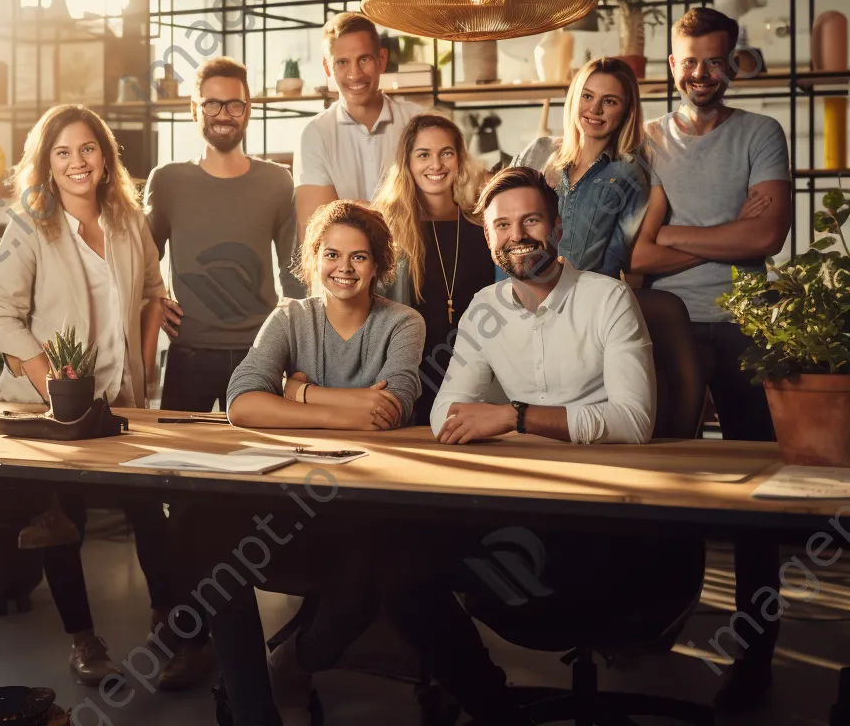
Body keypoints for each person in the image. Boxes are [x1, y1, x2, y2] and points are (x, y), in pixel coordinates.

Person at [382, 166, 669, 726]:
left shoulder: (606, 298)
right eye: (503, 225)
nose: (518, 235)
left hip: (607, 519)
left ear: (557, 228)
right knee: (398, 568)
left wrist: (511, 416)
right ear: (488, 238)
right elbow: (447, 416)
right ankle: (495, 708)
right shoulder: (485, 308)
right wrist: (500, 420)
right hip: (520, 508)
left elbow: (633, 421)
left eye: (531, 220)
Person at [203, 201, 425, 726]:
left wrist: (298, 392)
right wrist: (339, 404)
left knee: (367, 577)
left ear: (379, 266)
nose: (343, 268)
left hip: (369, 501)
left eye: (359, 257)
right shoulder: (290, 317)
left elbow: (390, 413)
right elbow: (241, 404)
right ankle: (254, 709)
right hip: (287, 496)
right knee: (205, 540)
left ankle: (296, 663)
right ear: (312, 259)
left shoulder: (403, 323)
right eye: (331, 254)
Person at [630, 6, 792, 713]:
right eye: (688, 60)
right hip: (665, 325)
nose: (701, 73)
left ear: (734, 62)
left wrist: (682, 238)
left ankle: (755, 655)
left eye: (714, 60)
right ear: (672, 63)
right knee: (664, 484)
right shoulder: (649, 140)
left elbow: (768, 236)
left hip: (746, 325)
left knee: (757, 490)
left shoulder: (761, 133)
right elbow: (638, 252)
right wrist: (730, 233)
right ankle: (655, 617)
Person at [0, 104, 176, 687]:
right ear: (46, 162)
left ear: (104, 155)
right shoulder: (29, 224)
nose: (76, 162)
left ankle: (170, 625)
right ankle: (83, 640)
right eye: (62, 152)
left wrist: (144, 373)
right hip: (55, 408)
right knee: (63, 520)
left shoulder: (126, 217)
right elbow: (2, 318)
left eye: (87, 149)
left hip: (121, 401)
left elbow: (151, 292)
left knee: (151, 511)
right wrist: (56, 393)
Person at [144, 57, 304, 413]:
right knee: (179, 461)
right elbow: (141, 263)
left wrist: (294, 350)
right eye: (211, 104)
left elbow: (293, 271)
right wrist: (154, 301)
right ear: (194, 109)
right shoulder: (167, 181)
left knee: (264, 456)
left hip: (260, 352)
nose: (222, 115)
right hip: (188, 351)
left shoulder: (278, 180)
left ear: (247, 110)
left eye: (234, 105)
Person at [374, 112, 494, 424]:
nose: (436, 165)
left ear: (459, 159)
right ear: (408, 163)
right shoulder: (387, 230)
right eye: (423, 155)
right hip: (410, 375)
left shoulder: (484, 225)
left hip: (473, 371)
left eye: (446, 153)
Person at [513, 56, 649, 280]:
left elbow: (617, 259)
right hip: (518, 294)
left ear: (627, 110)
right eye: (587, 96)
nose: (594, 109)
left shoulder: (627, 174)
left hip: (582, 303)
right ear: (574, 98)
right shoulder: (537, 152)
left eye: (610, 101)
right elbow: (499, 225)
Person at [293, 12, 424, 234]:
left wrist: (348, 210)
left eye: (364, 59)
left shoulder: (418, 122)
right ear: (327, 68)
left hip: (417, 264)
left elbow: (441, 207)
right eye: (342, 62)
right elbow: (317, 229)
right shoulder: (315, 134)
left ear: (381, 60)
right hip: (347, 267)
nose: (355, 74)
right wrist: (399, 214)